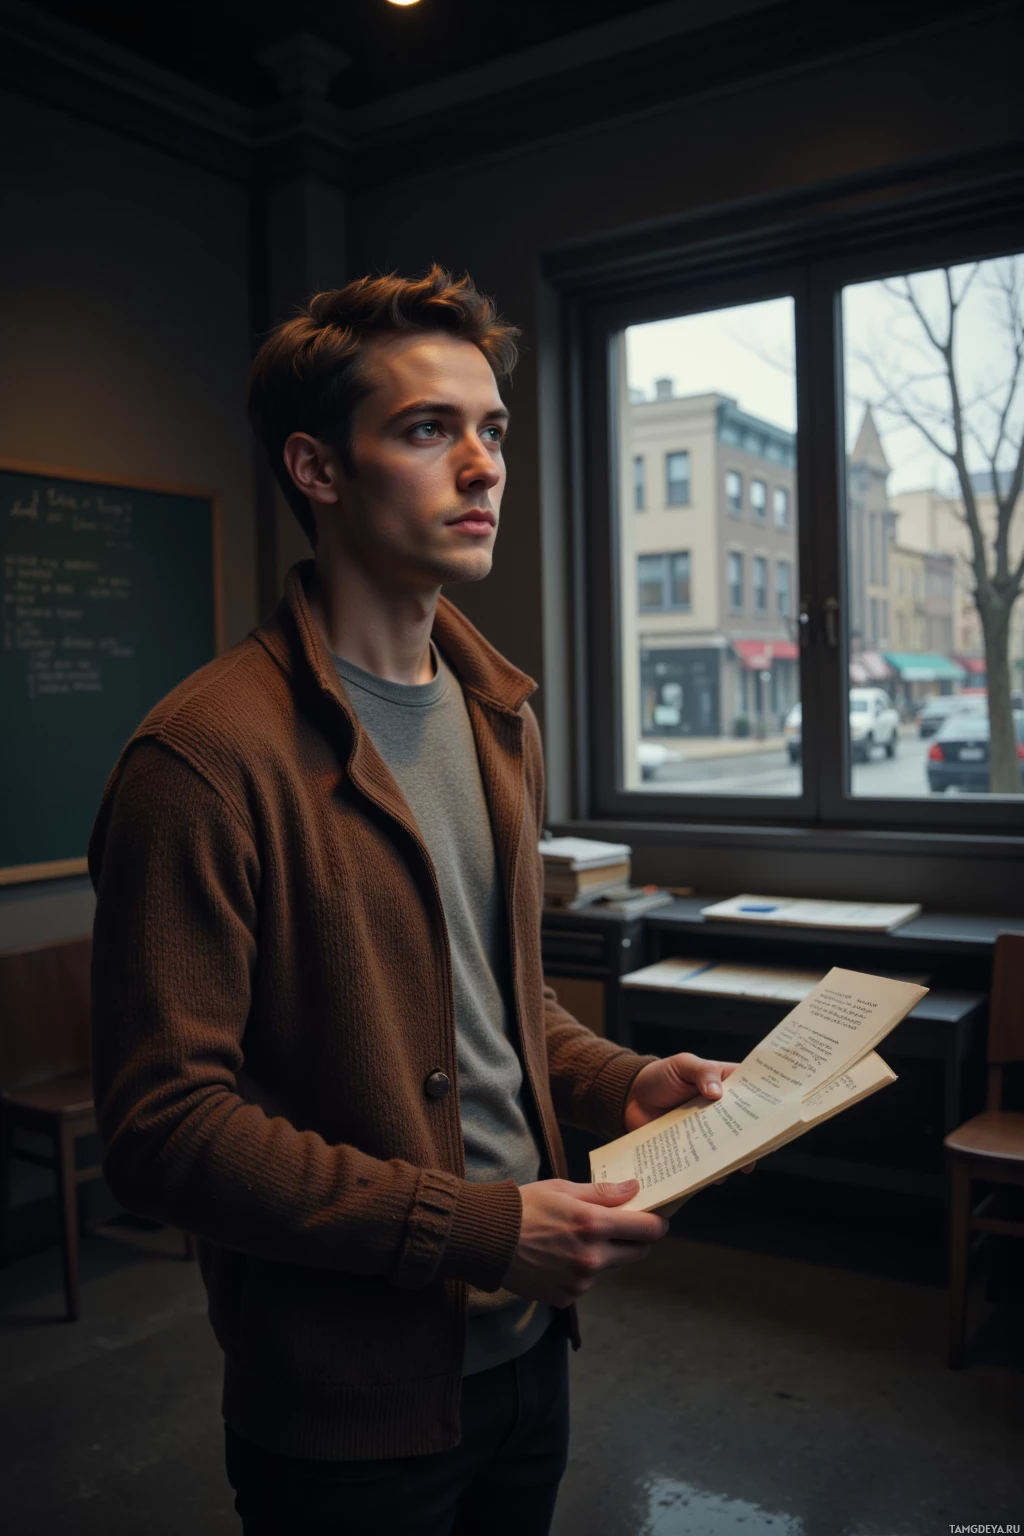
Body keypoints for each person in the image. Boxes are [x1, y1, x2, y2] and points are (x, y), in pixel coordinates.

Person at [88, 266, 745, 1535]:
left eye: (491, 429)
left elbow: (496, 1008)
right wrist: (476, 1230)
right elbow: (163, 1129)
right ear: (319, 472)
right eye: (428, 429)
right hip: (344, 1408)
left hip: (527, 1360)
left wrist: (623, 1084)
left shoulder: (496, 715)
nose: (486, 466)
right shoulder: (203, 761)